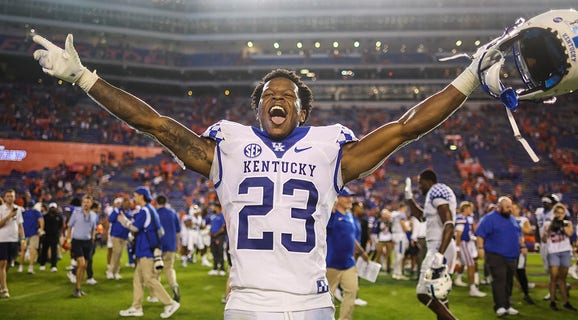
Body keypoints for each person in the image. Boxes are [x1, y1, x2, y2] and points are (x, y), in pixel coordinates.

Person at [32, 31, 497, 319]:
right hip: (248, 303)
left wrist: (469, 81)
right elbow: (153, 123)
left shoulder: (328, 147)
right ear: (258, 106)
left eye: (289, 95)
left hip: (313, 302)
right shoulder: (229, 144)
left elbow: (405, 127)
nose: (278, 97)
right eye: (270, 93)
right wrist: (84, 78)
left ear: (302, 108)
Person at [117, 186, 180, 318]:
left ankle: (169, 303)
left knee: (149, 279)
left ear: (141, 196)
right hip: (146, 249)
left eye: (135, 195)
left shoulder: (145, 211)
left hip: (146, 250)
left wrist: (124, 221)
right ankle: (136, 307)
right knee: (137, 279)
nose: (134, 198)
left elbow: (134, 227)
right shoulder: (151, 210)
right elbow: (160, 231)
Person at [406, 169, 458, 319]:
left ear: (429, 181)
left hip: (440, 246)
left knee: (423, 293)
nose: (419, 187)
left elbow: (449, 223)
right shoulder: (432, 194)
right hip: (439, 246)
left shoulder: (437, 189)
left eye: (421, 183)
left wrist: (439, 254)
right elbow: (421, 217)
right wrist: (409, 197)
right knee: (438, 295)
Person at [475, 196, 524, 316]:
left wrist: (523, 246)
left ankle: (507, 305)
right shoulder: (489, 218)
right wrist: (480, 248)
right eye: (507, 207)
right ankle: (500, 306)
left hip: (512, 255)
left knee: (508, 281)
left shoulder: (512, 219)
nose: (510, 209)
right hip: (496, 255)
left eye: (510, 207)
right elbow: (480, 234)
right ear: (499, 207)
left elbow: (519, 234)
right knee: (499, 280)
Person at [326, 188, 369, 320]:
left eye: (351, 197)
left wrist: (361, 251)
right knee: (327, 298)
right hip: (332, 263)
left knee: (352, 292)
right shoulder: (331, 216)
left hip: (349, 263)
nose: (350, 199)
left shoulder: (350, 216)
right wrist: (331, 209)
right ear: (338, 199)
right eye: (347, 197)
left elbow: (351, 237)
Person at [542, 203, 577, 311]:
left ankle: (566, 302)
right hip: (553, 252)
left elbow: (570, 234)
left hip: (565, 251)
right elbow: (544, 239)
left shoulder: (568, 223)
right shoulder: (548, 223)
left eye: (562, 213)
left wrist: (561, 224)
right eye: (558, 213)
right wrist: (551, 226)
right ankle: (552, 301)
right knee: (553, 277)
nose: (560, 215)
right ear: (554, 213)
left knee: (563, 278)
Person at [65, 194, 98, 297]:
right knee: (82, 264)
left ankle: (78, 288)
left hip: (88, 242)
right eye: (84, 202)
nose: (86, 204)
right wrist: (68, 240)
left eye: (88, 202)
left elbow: (93, 229)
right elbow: (69, 226)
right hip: (77, 241)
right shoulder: (76, 213)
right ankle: (77, 287)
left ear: (91, 204)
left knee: (84, 267)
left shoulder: (94, 215)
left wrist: (92, 239)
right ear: (82, 203)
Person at [455, 201, 486, 297]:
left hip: (466, 243)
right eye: (468, 208)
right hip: (463, 243)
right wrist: (457, 248)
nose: (470, 210)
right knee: (471, 264)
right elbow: (458, 235)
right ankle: (472, 288)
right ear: (464, 209)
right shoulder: (461, 218)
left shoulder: (465, 218)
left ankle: (471, 286)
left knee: (469, 264)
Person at [155, 194, 182, 303]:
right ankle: (174, 285)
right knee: (169, 268)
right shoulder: (172, 213)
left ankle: (155, 295)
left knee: (155, 270)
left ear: (157, 202)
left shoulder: (155, 213)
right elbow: (178, 231)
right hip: (171, 244)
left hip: (158, 245)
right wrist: (178, 244)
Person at [0, 189, 24, 298]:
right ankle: (4, 289)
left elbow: (20, 225)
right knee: (3, 263)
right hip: (2, 239)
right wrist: (9, 215)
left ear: (15, 197)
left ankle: (1, 281)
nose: (10, 198)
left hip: (14, 239)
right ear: (4, 198)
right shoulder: (1, 209)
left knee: (9, 263)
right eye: (8, 196)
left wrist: (22, 239)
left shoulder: (18, 209)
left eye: (12, 196)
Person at [512, 202, 535, 304]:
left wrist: (515, 226)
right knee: (509, 272)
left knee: (521, 271)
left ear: (518, 209)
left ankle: (526, 293)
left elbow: (528, 230)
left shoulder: (523, 219)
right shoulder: (505, 219)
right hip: (508, 248)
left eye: (515, 208)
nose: (513, 210)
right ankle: (507, 296)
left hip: (520, 248)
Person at [106, 196, 132, 280]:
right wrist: (116, 212)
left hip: (124, 236)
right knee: (116, 253)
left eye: (128, 203)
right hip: (116, 235)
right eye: (126, 203)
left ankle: (115, 272)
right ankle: (110, 272)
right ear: (123, 203)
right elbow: (110, 219)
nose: (127, 205)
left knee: (119, 254)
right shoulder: (117, 211)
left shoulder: (130, 213)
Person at [17, 200, 44, 274]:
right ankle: (30, 267)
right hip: (34, 234)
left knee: (23, 250)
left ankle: (20, 267)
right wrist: (41, 229)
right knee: (32, 250)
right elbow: (41, 220)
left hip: (24, 235)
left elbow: (19, 223)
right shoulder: (36, 212)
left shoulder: (23, 213)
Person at [39, 203, 64, 272]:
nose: (52, 209)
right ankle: (42, 264)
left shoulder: (59, 216)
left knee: (54, 251)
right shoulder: (45, 216)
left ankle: (53, 265)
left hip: (55, 236)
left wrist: (59, 234)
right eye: (51, 208)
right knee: (44, 250)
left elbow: (61, 226)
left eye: (53, 208)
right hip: (46, 235)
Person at [208, 200, 226, 276]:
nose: (213, 208)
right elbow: (212, 226)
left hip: (219, 236)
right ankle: (215, 268)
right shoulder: (213, 216)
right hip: (212, 236)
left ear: (218, 207)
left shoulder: (222, 215)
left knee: (220, 251)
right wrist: (210, 232)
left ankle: (222, 269)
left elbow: (223, 227)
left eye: (215, 206)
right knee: (214, 252)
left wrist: (216, 233)